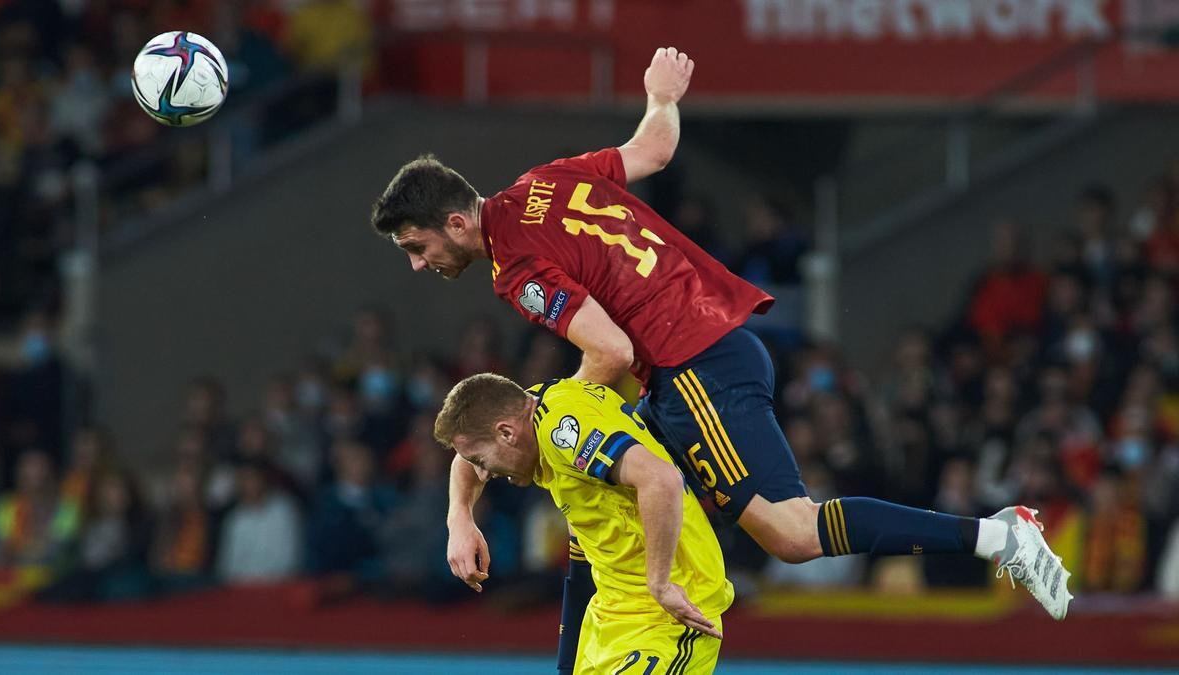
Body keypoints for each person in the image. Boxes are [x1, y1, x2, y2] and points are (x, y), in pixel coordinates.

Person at [370, 46, 1074, 671]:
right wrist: (663, 98)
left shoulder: (514, 265)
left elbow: (610, 349)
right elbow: (651, 151)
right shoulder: (546, 182)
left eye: (416, 246)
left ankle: (999, 535)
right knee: (590, 498)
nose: (416, 264)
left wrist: (562, 407)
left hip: (691, 362)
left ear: (456, 222)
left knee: (791, 532)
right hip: (702, 349)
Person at [435, 373, 731, 674]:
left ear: (507, 434)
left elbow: (661, 479)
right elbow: (465, 457)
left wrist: (660, 584)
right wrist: (460, 518)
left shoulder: (561, 434)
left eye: (481, 461)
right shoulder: (527, 405)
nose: (482, 474)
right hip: (610, 616)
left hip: (669, 615)